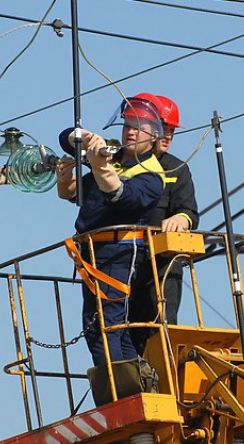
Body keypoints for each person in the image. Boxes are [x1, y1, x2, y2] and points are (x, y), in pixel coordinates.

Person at [55, 93, 167, 366]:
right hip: (93, 252)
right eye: (128, 124)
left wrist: (100, 166)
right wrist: (86, 140)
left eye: (140, 127)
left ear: (154, 137)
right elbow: (66, 138)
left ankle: (119, 396)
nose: (131, 131)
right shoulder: (113, 158)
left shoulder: (151, 175)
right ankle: (136, 386)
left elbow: (120, 195)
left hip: (118, 253)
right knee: (110, 327)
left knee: (104, 328)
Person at [128, 95, 199, 355]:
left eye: (172, 131)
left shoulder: (177, 169)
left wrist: (182, 218)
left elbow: (189, 211)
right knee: (119, 332)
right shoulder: (123, 165)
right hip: (124, 266)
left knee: (160, 331)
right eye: (163, 129)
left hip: (161, 270)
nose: (168, 136)